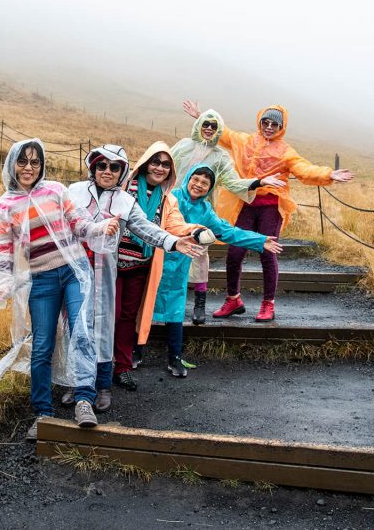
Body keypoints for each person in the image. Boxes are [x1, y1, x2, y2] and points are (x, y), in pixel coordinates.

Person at [0, 139, 119, 442]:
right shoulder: (4, 207)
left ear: (42, 165)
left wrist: (100, 228)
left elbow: (78, 223)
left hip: (72, 273)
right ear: (12, 164)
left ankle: (84, 400)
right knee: (42, 344)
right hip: (40, 281)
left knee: (81, 332)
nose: (29, 168)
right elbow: (2, 251)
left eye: (35, 162)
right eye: (22, 161)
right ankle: (43, 413)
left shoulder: (56, 191)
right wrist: (1, 284)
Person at [66, 145, 208, 411]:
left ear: (121, 171)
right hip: (79, 272)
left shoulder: (128, 201)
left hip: (120, 269)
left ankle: (106, 382)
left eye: (114, 167)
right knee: (81, 323)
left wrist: (174, 242)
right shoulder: (75, 192)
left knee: (112, 320)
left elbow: (147, 227)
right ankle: (80, 382)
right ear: (92, 167)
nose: (107, 171)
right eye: (101, 165)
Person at [184, 101, 355, 321]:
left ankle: (268, 304)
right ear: (260, 122)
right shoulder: (244, 141)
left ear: (281, 127)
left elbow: (304, 169)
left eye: (275, 124)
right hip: (245, 205)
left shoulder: (286, 152)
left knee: (267, 252)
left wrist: (328, 174)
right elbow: (223, 133)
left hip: (270, 208)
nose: (269, 127)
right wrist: (200, 115)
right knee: (235, 253)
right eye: (266, 122)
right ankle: (233, 299)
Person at [152, 164, 283, 375]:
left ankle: (174, 358)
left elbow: (228, 232)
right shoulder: (170, 197)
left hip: (179, 267)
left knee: (175, 310)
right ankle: (134, 352)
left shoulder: (206, 212)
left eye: (205, 183)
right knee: (144, 307)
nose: (199, 185)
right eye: (196, 179)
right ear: (188, 179)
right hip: (155, 260)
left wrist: (259, 240)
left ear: (209, 189)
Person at [170, 109, 285, 324]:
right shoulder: (183, 146)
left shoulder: (221, 156)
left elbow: (232, 182)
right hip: (172, 205)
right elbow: (163, 167)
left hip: (200, 210)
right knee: (167, 254)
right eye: (205, 123)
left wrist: (258, 182)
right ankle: (164, 303)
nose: (209, 128)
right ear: (199, 125)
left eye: (214, 126)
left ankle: (199, 303)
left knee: (199, 254)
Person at [113, 142, 206, 391]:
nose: (160, 168)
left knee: (128, 317)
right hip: (111, 265)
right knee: (110, 313)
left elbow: (175, 225)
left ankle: (121, 367)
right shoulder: (123, 188)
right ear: (146, 163)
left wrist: (194, 230)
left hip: (139, 268)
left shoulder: (168, 200)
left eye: (166, 164)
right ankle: (98, 366)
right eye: (155, 162)